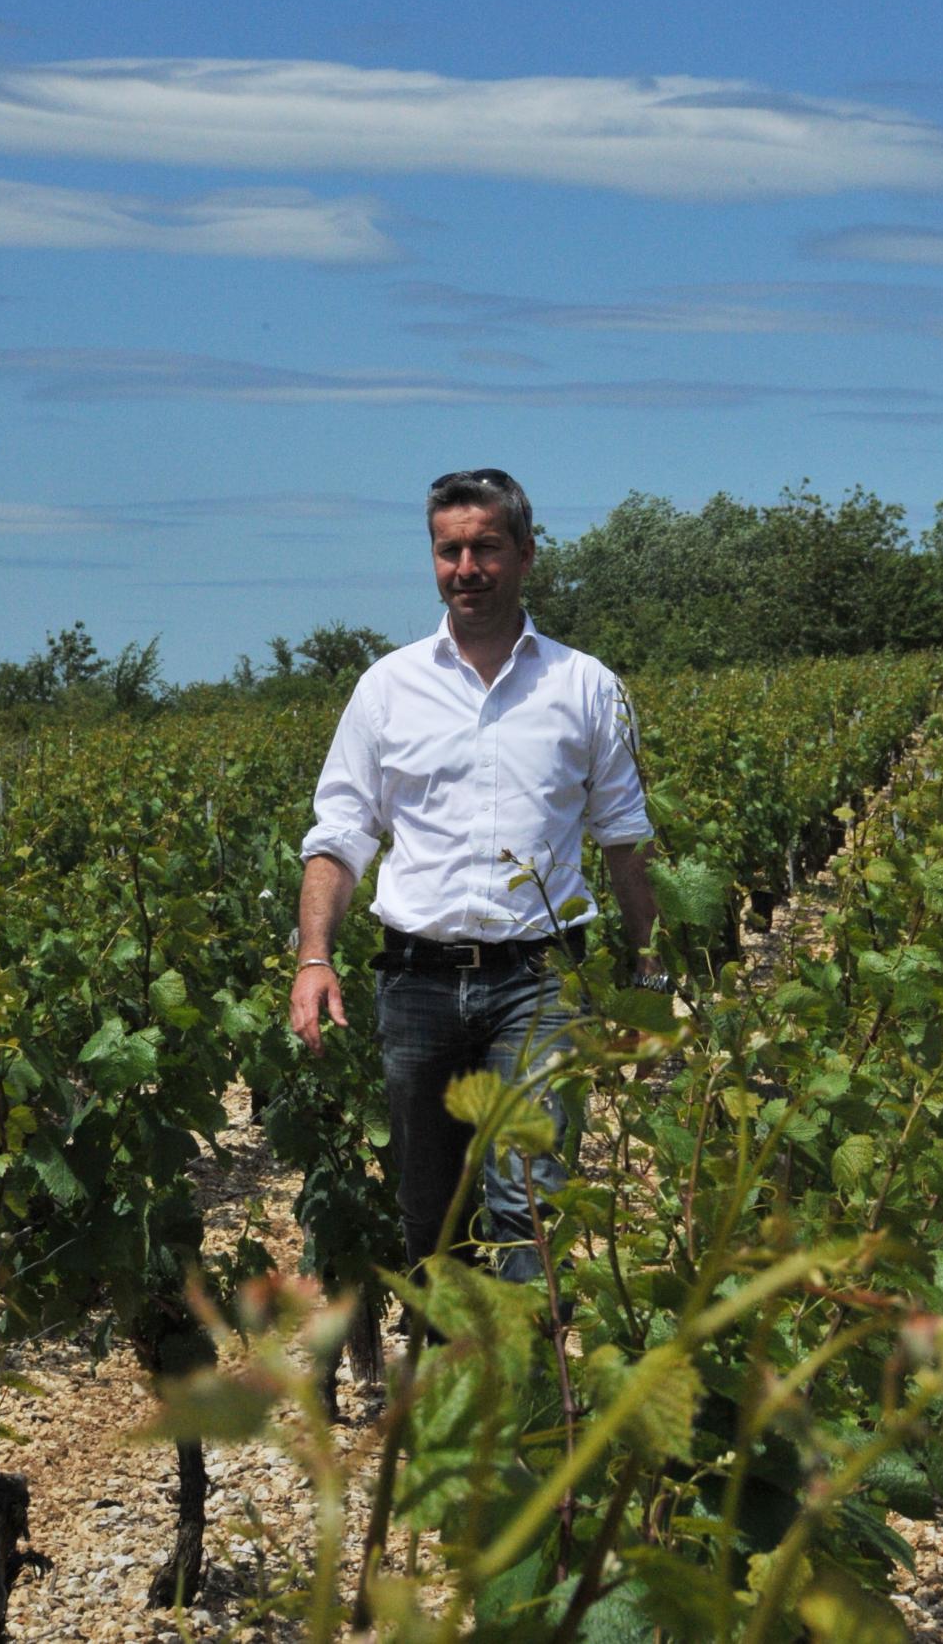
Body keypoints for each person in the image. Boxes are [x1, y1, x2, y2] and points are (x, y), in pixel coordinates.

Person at [290, 468, 662, 1285]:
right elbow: (342, 833)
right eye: (449, 550)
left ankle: (528, 1396)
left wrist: (651, 971)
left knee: (526, 1202)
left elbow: (624, 840)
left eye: (486, 547)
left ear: (527, 554)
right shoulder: (387, 688)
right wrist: (314, 956)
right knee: (431, 1220)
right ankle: (457, 1388)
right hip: (416, 983)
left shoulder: (586, 686)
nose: (467, 568)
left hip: (540, 979)